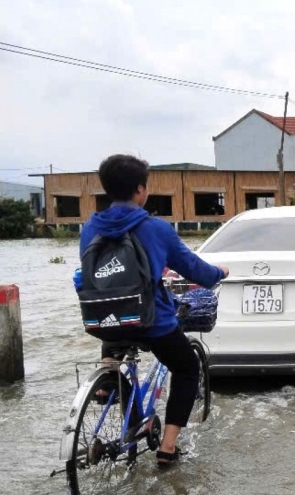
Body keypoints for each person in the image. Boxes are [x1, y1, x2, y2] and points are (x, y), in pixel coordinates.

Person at [79, 154, 229, 467]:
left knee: (116, 338)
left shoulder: (89, 228)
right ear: (140, 190)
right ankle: (168, 447)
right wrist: (220, 273)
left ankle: (109, 383)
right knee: (187, 368)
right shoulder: (156, 229)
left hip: (104, 319)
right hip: (151, 322)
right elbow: (195, 270)